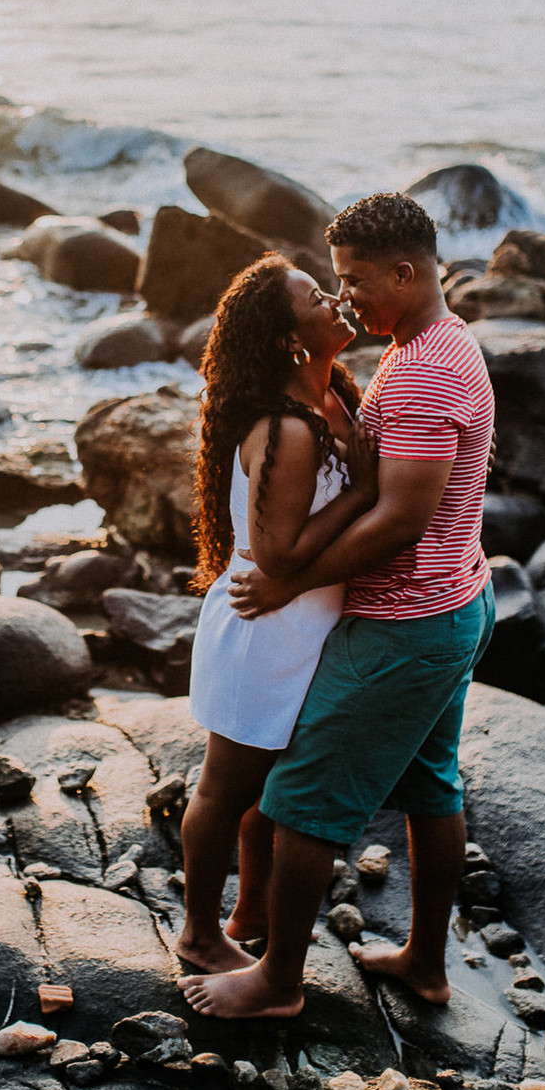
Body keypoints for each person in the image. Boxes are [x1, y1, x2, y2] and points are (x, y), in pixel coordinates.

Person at [180, 192, 495, 1020]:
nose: (345, 295)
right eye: (332, 285)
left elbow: (400, 517)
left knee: (301, 806)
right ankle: (426, 963)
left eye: (354, 280)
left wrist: (284, 582)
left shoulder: (424, 371)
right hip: (450, 601)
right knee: (432, 788)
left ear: (405, 271)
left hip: (407, 623)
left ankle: (278, 982)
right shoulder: (430, 346)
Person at [174, 252, 380, 975]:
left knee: (275, 786)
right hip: (265, 629)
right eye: (317, 298)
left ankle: (253, 911)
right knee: (225, 788)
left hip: (305, 624)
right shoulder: (288, 429)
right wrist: (362, 492)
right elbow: (279, 554)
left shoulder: (336, 399)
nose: (336, 302)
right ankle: (199, 934)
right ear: (290, 339)